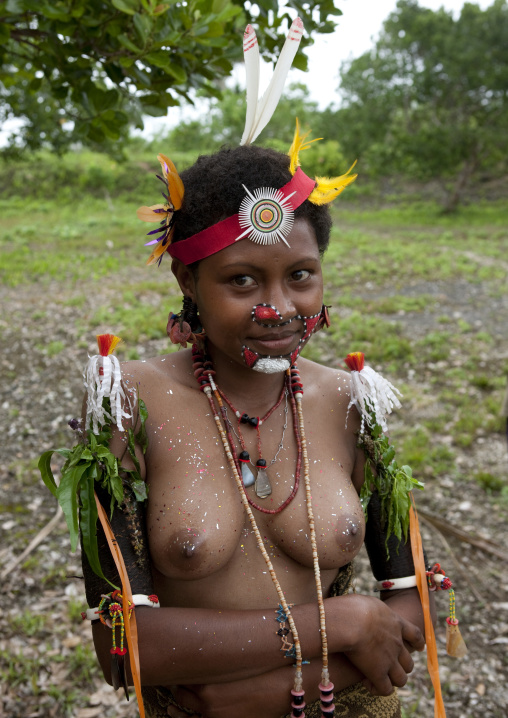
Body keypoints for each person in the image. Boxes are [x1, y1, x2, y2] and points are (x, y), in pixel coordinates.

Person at [78, 131, 432, 718]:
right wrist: (339, 621)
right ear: (187, 281)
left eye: (301, 275)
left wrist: (248, 694)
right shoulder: (129, 405)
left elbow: (407, 615)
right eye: (241, 280)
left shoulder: (351, 401)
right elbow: (122, 648)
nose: (278, 307)